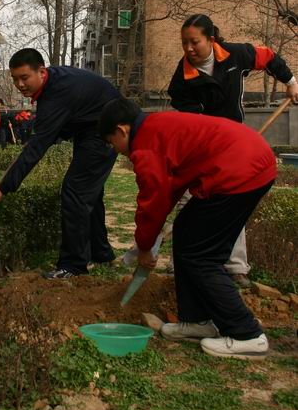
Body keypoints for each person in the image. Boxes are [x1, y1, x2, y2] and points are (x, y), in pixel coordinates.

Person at [99, 97, 276, 359]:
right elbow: (170, 187)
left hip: (239, 172)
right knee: (185, 233)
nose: (114, 149)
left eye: (111, 142)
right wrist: (149, 239)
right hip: (247, 161)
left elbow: (153, 199)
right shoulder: (154, 127)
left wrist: (146, 247)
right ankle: (197, 320)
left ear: (122, 130)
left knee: (201, 255)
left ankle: (247, 334)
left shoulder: (145, 146)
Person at [167, 13, 298, 286]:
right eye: (184, 43)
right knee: (191, 199)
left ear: (210, 39)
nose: (189, 49)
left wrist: (291, 82)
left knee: (232, 197)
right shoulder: (182, 80)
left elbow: (268, 57)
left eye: (194, 42)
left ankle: (236, 266)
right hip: (202, 146)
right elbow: (190, 122)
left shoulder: (236, 56)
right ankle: (179, 260)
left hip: (235, 143)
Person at [0, 48, 119, 279]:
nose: (19, 84)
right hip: (91, 127)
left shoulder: (57, 94)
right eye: (15, 79)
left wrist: (3, 187)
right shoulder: (53, 83)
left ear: (41, 71)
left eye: (24, 77)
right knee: (89, 193)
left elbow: (36, 147)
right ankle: (101, 253)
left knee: (75, 191)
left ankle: (73, 265)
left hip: (108, 131)